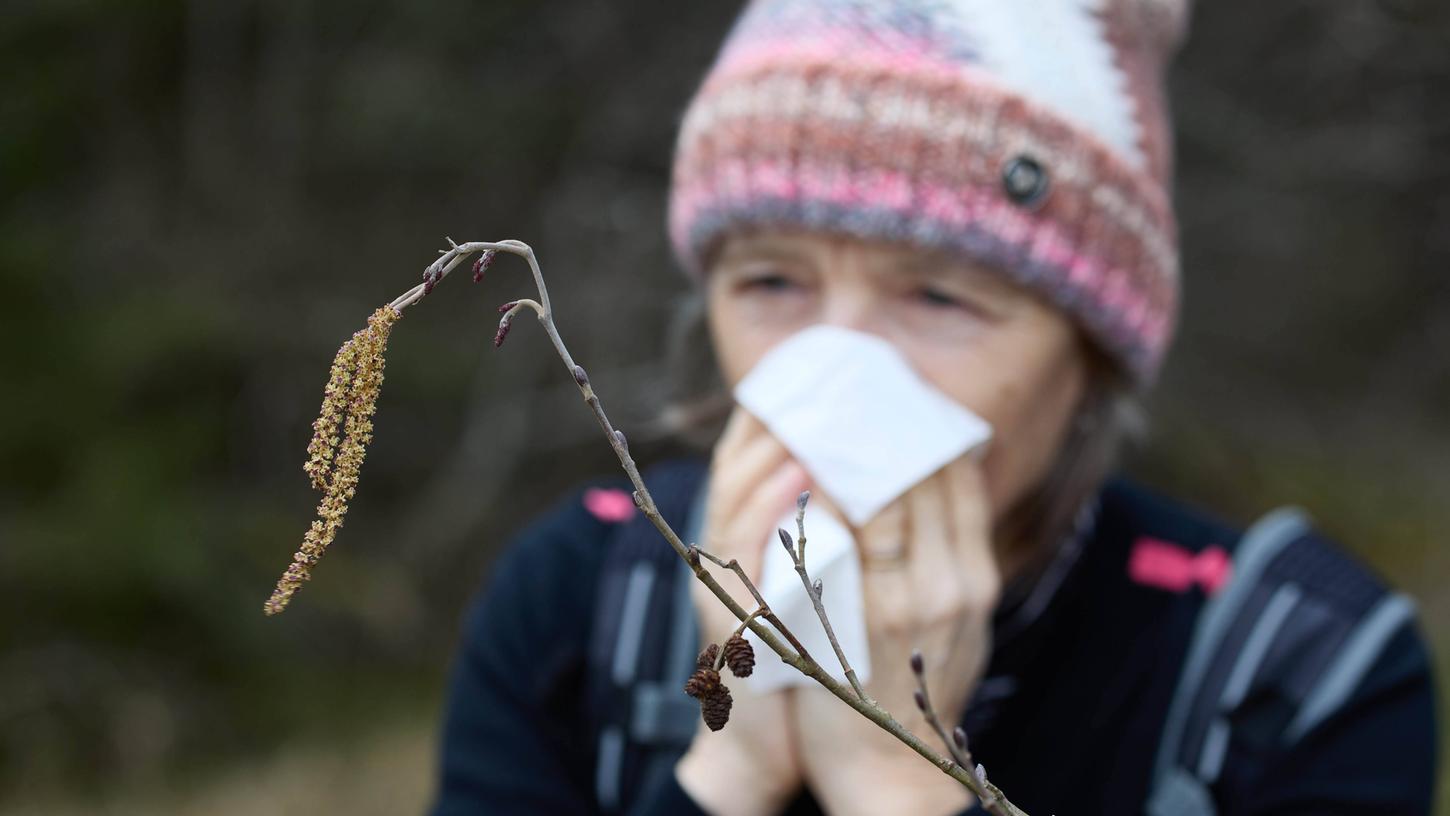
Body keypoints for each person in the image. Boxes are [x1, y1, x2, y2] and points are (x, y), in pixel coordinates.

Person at [431, 1, 1438, 814]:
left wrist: (902, 785)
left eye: (940, 297)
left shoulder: (1297, 674)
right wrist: (728, 776)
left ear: (1086, 357)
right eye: (772, 283)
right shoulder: (577, 603)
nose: (842, 367)